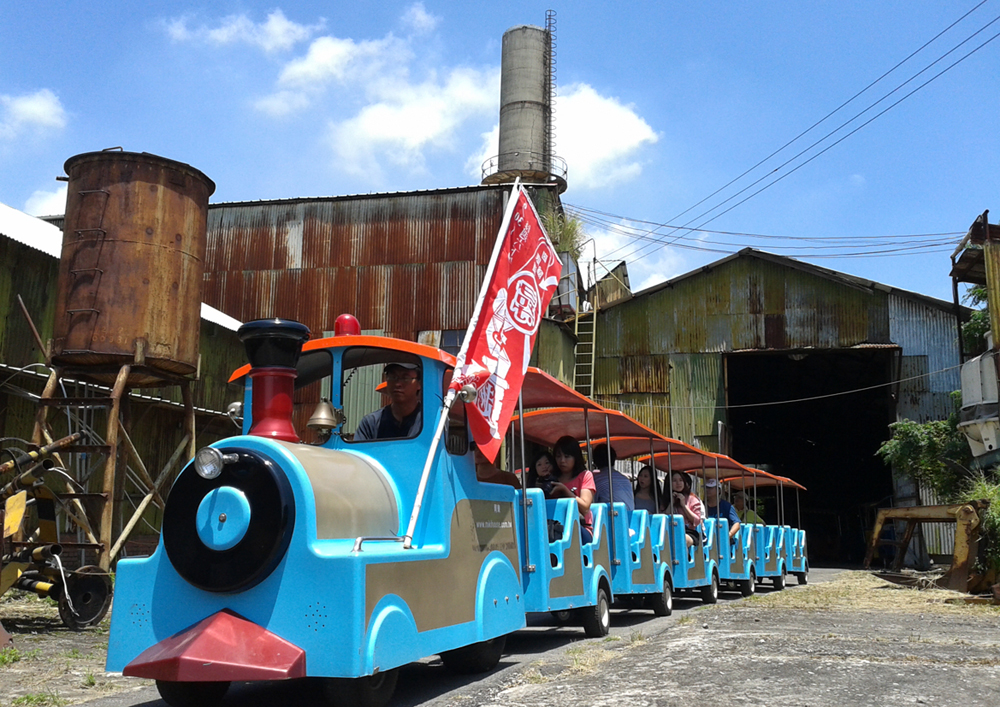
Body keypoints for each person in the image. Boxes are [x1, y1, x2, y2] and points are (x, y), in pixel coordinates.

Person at [354, 363, 422, 440]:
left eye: (405, 378)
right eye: (393, 377)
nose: (398, 384)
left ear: (419, 384)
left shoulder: (430, 422)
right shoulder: (370, 423)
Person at [550, 436, 596, 543]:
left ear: (576, 457)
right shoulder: (552, 478)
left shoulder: (585, 476)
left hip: (581, 527)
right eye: (558, 456)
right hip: (554, 526)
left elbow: (585, 507)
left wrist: (565, 491)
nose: (562, 461)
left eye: (567, 456)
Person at [590, 443, 634, 512]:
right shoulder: (625, 479)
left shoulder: (596, 480)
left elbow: (591, 503)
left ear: (595, 461)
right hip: (629, 518)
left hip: (612, 518)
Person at [669, 470, 704, 548]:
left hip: (689, 532)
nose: (678, 483)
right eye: (674, 480)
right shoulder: (665, 500)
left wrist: (684, 506)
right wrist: (671, 503)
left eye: (681, 480)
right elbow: (663, 516)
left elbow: (697, 521)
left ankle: (683, 560)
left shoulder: (692, 499)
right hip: (670, 531)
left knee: (681, 539)